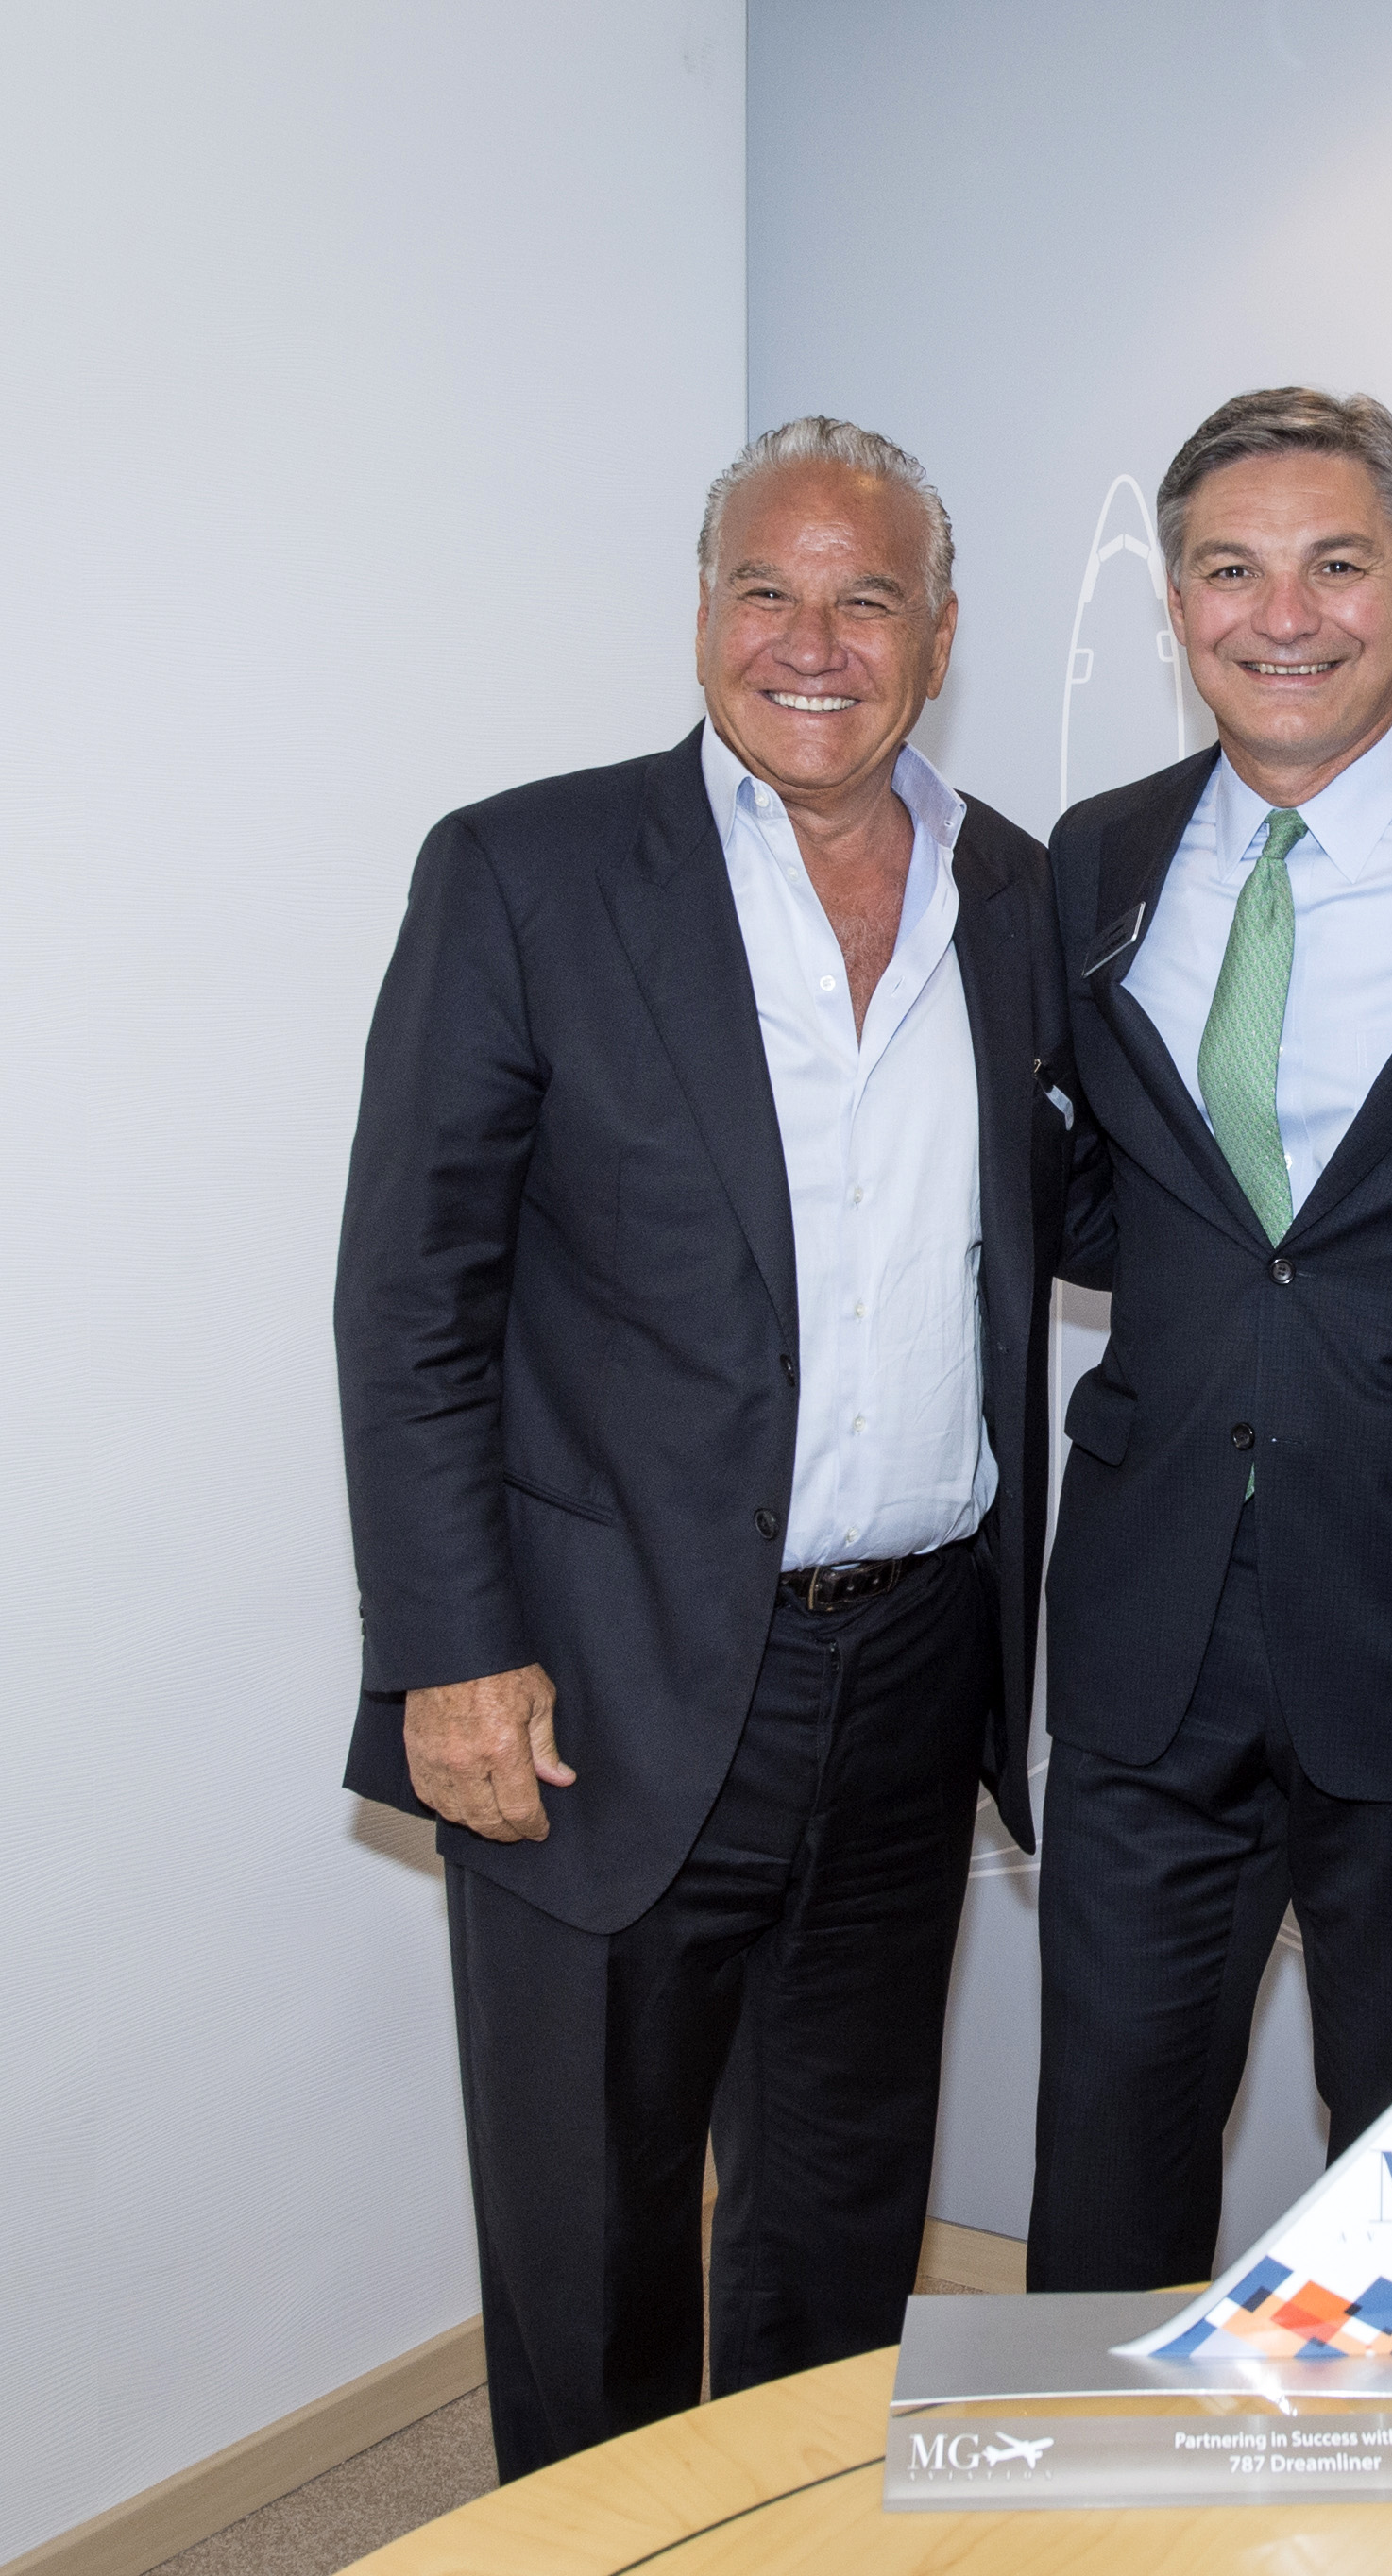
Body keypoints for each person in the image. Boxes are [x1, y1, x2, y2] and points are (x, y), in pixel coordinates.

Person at [336, 419, 1067, 2475]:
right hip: (594, 1674)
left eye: (865, 599)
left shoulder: (1015, 889)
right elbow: (411, 1292)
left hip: (910, 1668)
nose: (810, 643)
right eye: (767, 591)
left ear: (940, 635)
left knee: (841, 2226)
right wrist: (447, 1652)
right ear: (701, 613)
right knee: (591, 2245)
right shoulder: (527, 871)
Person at [1029, 389, 1392, 2292]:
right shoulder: (1096, 854)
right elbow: (1098, 1194)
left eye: (1336, 563)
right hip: (1150, 1631)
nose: (1283, 615)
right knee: (1102, 2188)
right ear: (1176, 605)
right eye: (1231, 570)